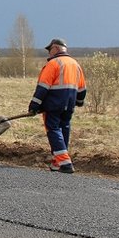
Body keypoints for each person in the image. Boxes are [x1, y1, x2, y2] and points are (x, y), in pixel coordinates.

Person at [28, 38, 87, 174]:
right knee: (64, 128)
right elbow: (82, 89)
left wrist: (34, 105)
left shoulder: (53, 64)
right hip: (69, 104)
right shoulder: (75, 64)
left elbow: (42, 87)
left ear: (56, 48)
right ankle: (57, 162)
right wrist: (79, 102)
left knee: (53, 129)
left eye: (50, 50)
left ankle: (65, 162)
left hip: (54, 104)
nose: (49, 53)